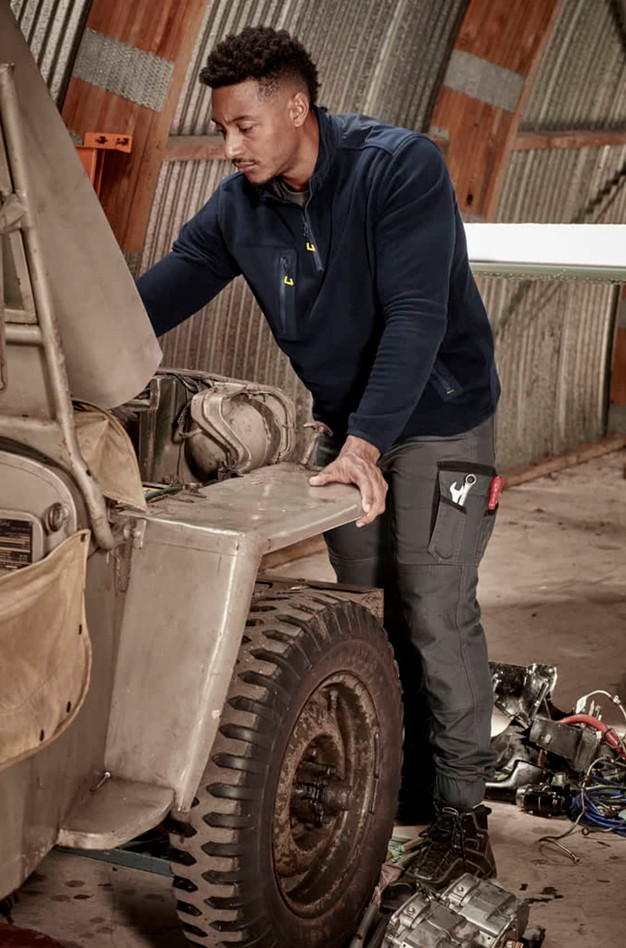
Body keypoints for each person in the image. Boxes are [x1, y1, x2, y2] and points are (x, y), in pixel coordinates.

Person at [137, 25, 501, 889]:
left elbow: (416, 316)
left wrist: (365, 446)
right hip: (350, 426)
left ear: (297, 108)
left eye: (244, 126)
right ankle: (399, 782)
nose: (230, 147)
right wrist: (65, 349)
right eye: (222, 129)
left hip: (439, 419)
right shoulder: (241, 206)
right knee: (367, 612)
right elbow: (158, 294)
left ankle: (463, 817)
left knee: (435, 609)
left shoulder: (398, 168)